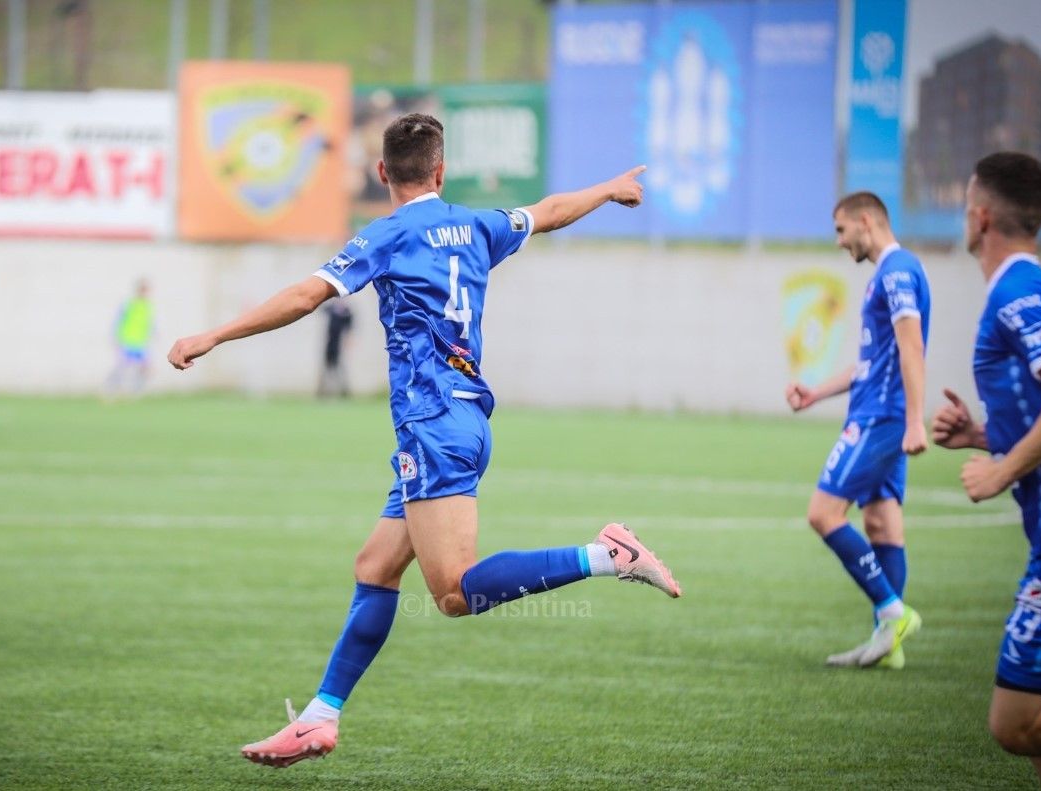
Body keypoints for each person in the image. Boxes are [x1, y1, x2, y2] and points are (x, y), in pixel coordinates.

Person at [168, 113, 681, 769]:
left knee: (454, 593)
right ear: (441, 171)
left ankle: (607, 555)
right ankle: (320, 717)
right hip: (461, 421)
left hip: (433, 425)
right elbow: (549, 211)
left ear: (382, 171)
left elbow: (305, 295)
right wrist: (607, 189)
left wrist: (214, 335)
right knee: (375, 567)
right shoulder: (476, 225)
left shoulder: (386, 235)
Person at [931, 152, 1041, 790]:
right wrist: (983, 436)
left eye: (965, 205)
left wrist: (1001, 471)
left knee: (1016, 722)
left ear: (980, 217)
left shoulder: (1014, 291)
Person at [784, 192, 930, 669]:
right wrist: (816, 393)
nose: (839, 241)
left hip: (881, 418)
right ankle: (887, 644)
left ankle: (893, 614)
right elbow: (871, 364)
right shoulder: (886, 275)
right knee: (882, 523)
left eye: (841, 230)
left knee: (823, 513)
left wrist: (914, 420)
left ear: (866, 221)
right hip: (877, 412)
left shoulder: (897, 271)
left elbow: (912, 347)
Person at [104, 279, 156, 398]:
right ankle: (110, 390)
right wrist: (117, 337)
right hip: (128, 341)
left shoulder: (148, 306)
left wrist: (153, 333)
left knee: (145, 368)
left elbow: (149, 323)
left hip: (141, 343)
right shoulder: (129, 304)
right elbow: (119, 320)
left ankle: (135, 393)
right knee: (122, 368)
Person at [317, 298, 354, 398]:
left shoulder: (346, 313)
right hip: (329, 343)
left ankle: (344, 391)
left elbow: (349, 327)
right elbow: (322, 309)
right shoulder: (331, 309)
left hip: (338, 344)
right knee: (326, 367)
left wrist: (348, 340)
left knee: (339, 367)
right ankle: (322, 391)